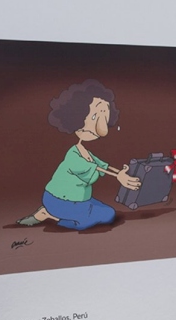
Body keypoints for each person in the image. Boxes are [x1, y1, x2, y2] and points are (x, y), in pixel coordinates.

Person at [17, 79, 141, 230]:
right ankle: (49, 214)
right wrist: (119, 177)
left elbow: (103, 165)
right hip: (58, 200)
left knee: (109, 214)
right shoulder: (73, 155)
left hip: (80, 200)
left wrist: (120, 172)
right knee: (85, 223)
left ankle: (70, 214)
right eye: (94, 117)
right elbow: (95, 169)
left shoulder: (86, 152)